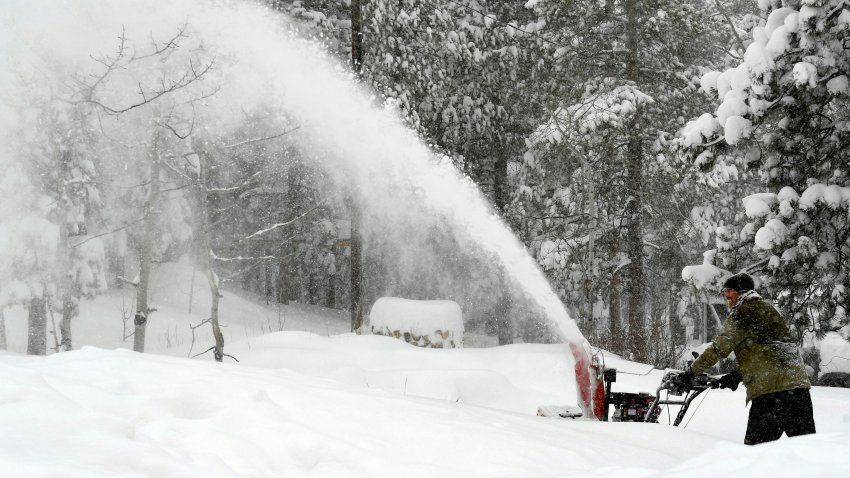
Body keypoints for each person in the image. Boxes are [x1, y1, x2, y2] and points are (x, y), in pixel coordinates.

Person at [689, 272, 816, 445]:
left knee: (753, 457)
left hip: (771, 395)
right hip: (798, 390)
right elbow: (766, 352)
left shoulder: (742, 313)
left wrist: (691, 371)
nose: (728, 300)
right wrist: (738, 374)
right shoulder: (769, 310)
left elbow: (719, 348)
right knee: (808, 452)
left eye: (730, 294)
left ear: (741, 293)